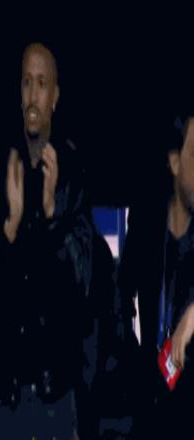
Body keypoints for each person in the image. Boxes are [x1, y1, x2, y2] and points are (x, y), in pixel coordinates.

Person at [0, 42, 93, 440]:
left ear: (55, 97)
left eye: (42, 84)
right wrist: (11, 226)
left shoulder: (74, 174)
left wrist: (52, 215)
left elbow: (83, 283)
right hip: (8, 397)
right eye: (27, 83)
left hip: (56, 396)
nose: (33, 95)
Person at [119, 112, 194, 439]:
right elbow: (120, 298)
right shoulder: (147, 223)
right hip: (147, 411)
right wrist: (133, 364)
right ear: (175, 163)